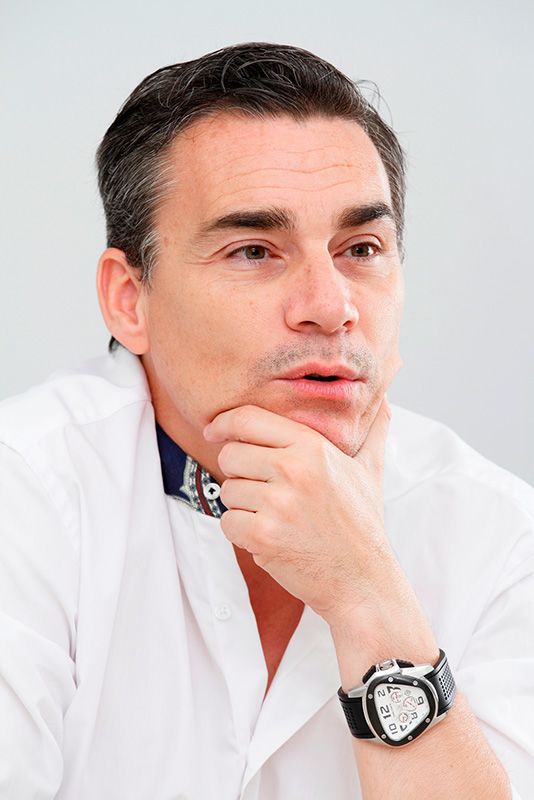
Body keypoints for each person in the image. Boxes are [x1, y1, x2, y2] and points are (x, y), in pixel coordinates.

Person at [0, 42, 532, 800]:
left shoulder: (498, 533)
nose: (331, 306)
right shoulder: (26, 491)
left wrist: (367, 594)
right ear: (129, 299)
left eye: (362, 248)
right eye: (253, 251)